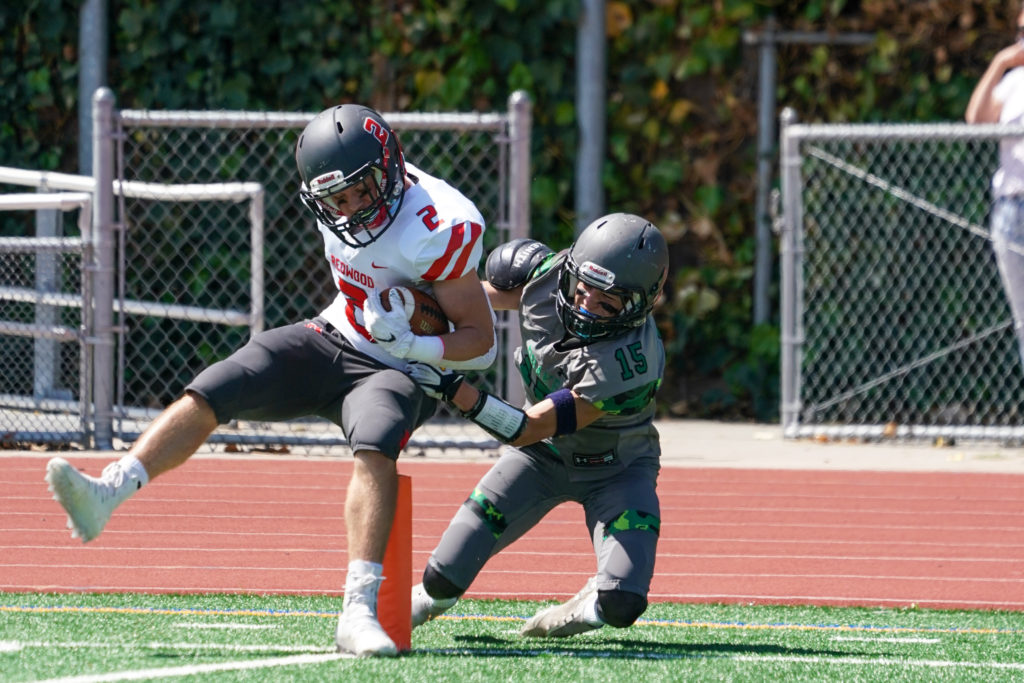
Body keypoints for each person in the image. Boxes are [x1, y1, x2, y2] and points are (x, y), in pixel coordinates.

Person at [44, 103, 496, 657]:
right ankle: (108, 492)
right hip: (337, 333)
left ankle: (357, 611)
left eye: (360, 192)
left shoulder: (438, 225)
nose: (350, 210)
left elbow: (481, 343)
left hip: (401, 368)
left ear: (390, 167)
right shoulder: (340, 200)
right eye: (335, 200)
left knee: (376, 440)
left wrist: (414, 345)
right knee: (221, 382)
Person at [406, 212, 668, 638]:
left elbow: (528, 428)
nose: (586, 306)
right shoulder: (547, 278)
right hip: (540, 459)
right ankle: (411, 603)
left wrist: (452, 389)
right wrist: (411, 309)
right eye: (583, 289)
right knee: (441, 580)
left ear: (639, 305)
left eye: (607, 302)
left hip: (616, 470)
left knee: (622, 603)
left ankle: (582, 609)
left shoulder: (630, 363)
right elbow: (474, 298)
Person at [966, 4, 1024, 367]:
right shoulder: (1014, 82)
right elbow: (976, 120)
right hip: (1013, 211)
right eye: (1021, 32)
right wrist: (1000, 63)